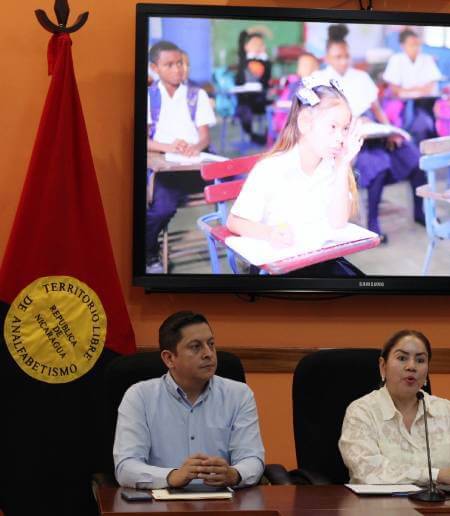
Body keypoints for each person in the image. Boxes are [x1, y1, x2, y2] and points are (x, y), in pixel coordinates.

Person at [226, 73, 365, 277]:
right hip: (277, 266)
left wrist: (343, 165)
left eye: (345, 129)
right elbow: (234, 222)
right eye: (333, 127)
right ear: (305, 123)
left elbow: (338, 223)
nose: (340, 138)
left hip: (318, 259)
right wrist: (269, 233)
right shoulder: (271, 169)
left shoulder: (331, 167)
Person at [113, 311, 265, 489]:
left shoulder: (239, 395)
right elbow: (126, 468)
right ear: (169, 358)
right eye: (196, 347)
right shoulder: (139, 397)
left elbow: (253, 458)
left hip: (222, 505)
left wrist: (234, 474)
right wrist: (171, 476)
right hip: (161, 505)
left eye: (211, 344)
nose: (208, 353)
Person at [322, 24, 426, 239]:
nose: (343, 61)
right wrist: (352, 123)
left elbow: (377, 109)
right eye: (337, 56)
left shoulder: (360, 77)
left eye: (346, 56)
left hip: (374, 134)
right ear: (327, 58)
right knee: (376, 166)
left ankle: (419, 212)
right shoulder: (321, 80)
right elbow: (323, 121)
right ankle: (372, 224)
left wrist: (390, 131)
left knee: (415, 158)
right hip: (347, 141)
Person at [339, 330, 450, 485]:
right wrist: (436, 475)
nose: (411, 366)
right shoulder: (362, 412)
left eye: (420, 360)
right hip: (378, 507)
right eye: (402, 358)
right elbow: (367, 471)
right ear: (383, 366)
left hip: (441, 507)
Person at [146, 40, 216, 274]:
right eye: (169, 65)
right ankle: (148, 253)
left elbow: (205, 136)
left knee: (238, 188)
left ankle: (237, 247)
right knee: (161, 208)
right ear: (155, 68)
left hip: (195, 166)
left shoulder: (197, 95)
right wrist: (170, 147)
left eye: (180, 63)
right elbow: (143, 140)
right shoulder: (148, 96)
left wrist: (195, 147)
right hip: (167, 167)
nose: (177, 69)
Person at [382, 29, 442, 142]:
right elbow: (395, 89)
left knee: (426, 123)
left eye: (417, 44)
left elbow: (430, 87)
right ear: (402, 46)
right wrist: (416, 90)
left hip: (425, 103)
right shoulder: (396, 60)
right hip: (402, 104)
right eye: (411, 45)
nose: (415, 48)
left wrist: (407, 90)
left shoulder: (427, 59)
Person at [234, 31, 272, 145]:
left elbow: (267, 80)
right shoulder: (243, 60)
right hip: (245, 99)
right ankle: (252, 135)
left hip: (260, 99)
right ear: (246, 47)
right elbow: (241, 39)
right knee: (244, 108)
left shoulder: (265, 62)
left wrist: (264, 57)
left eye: (260, 44)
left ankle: (271, 135)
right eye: (254, 43)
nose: (257, 46)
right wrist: (250, 30)